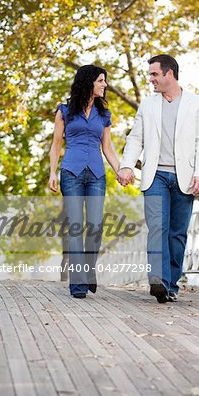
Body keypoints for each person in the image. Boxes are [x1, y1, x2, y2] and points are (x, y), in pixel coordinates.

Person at [117, 54, 199, 303]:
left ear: (170, 74)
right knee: (158, 227)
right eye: (150, 75)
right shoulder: (148, 104)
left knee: (177, 233)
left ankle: (170, 285)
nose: (151, 79)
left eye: (154, 74)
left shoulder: (198, 104)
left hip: (185, 177)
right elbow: (136, 137)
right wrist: (127, 165)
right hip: (155, 175)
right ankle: (157, 278)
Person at [49, 64, 119, 298]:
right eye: (101, 80)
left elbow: (107, 148)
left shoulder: (104, 114)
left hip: (97, 174)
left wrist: (120, 170)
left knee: (96, 226)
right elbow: (56, 145)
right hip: (71, 173)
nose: (104, 85)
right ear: (89, 82)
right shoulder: (65, 110)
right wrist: (52, 173)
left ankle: (89, 269)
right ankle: (78, 283)